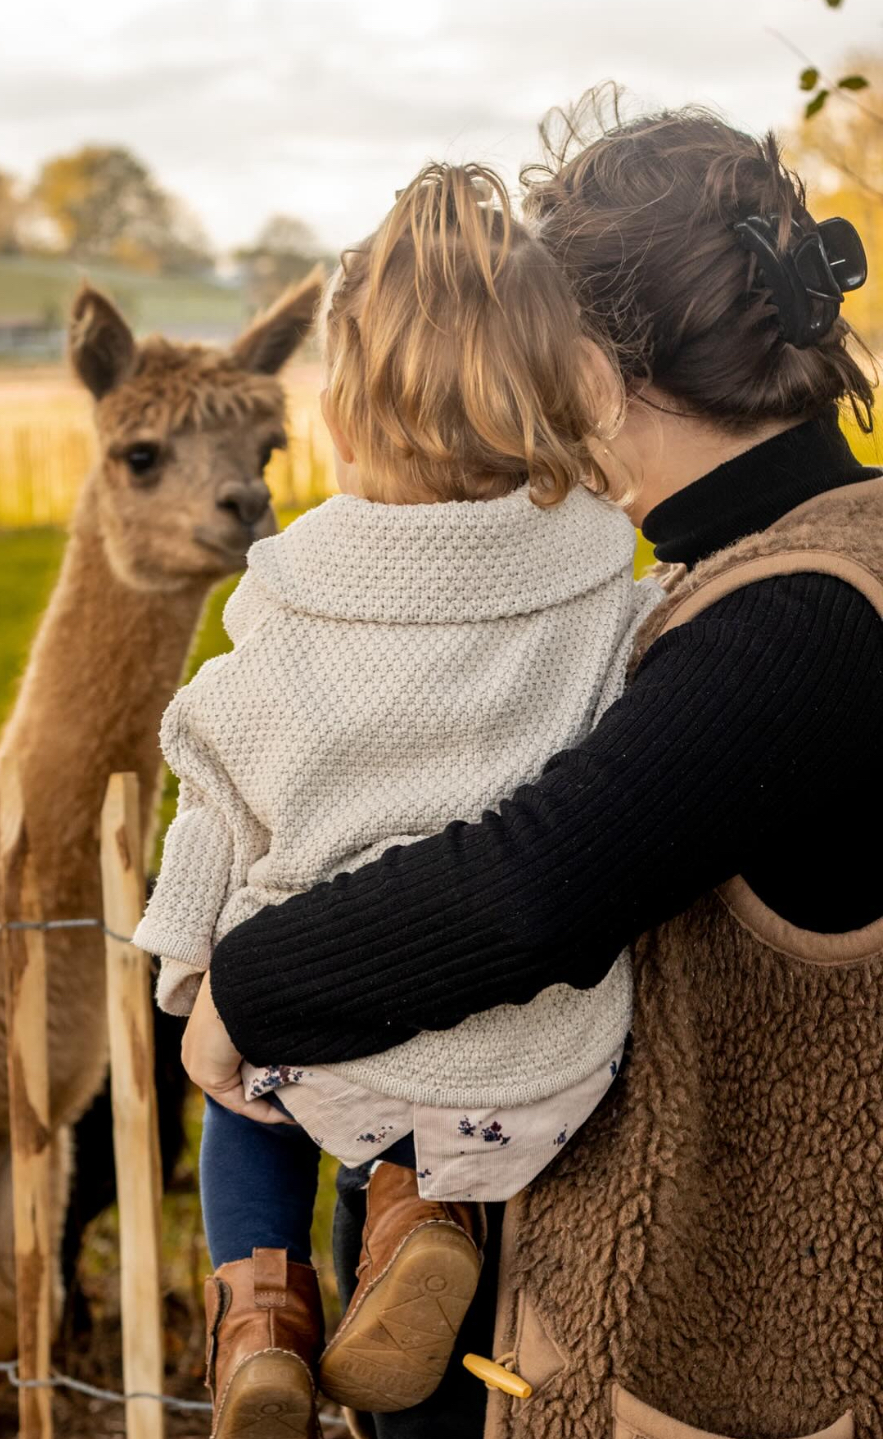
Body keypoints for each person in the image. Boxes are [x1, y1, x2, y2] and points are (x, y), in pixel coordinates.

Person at [188, 97, 883, 1438]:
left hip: (734, 1364)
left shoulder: (798, 617)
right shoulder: (784, 565)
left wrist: (244, 985)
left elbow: (530, 885)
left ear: (588, 362)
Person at [134, 160, 662, 1438]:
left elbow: (216, 781)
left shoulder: (304, 586)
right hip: (536, 1064)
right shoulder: (606, 580)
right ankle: (419, 1209)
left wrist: (182, 959)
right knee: (428, 1135)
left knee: (247, 1087)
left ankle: (263, 1311)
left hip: (328, 1040)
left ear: (349, 411)